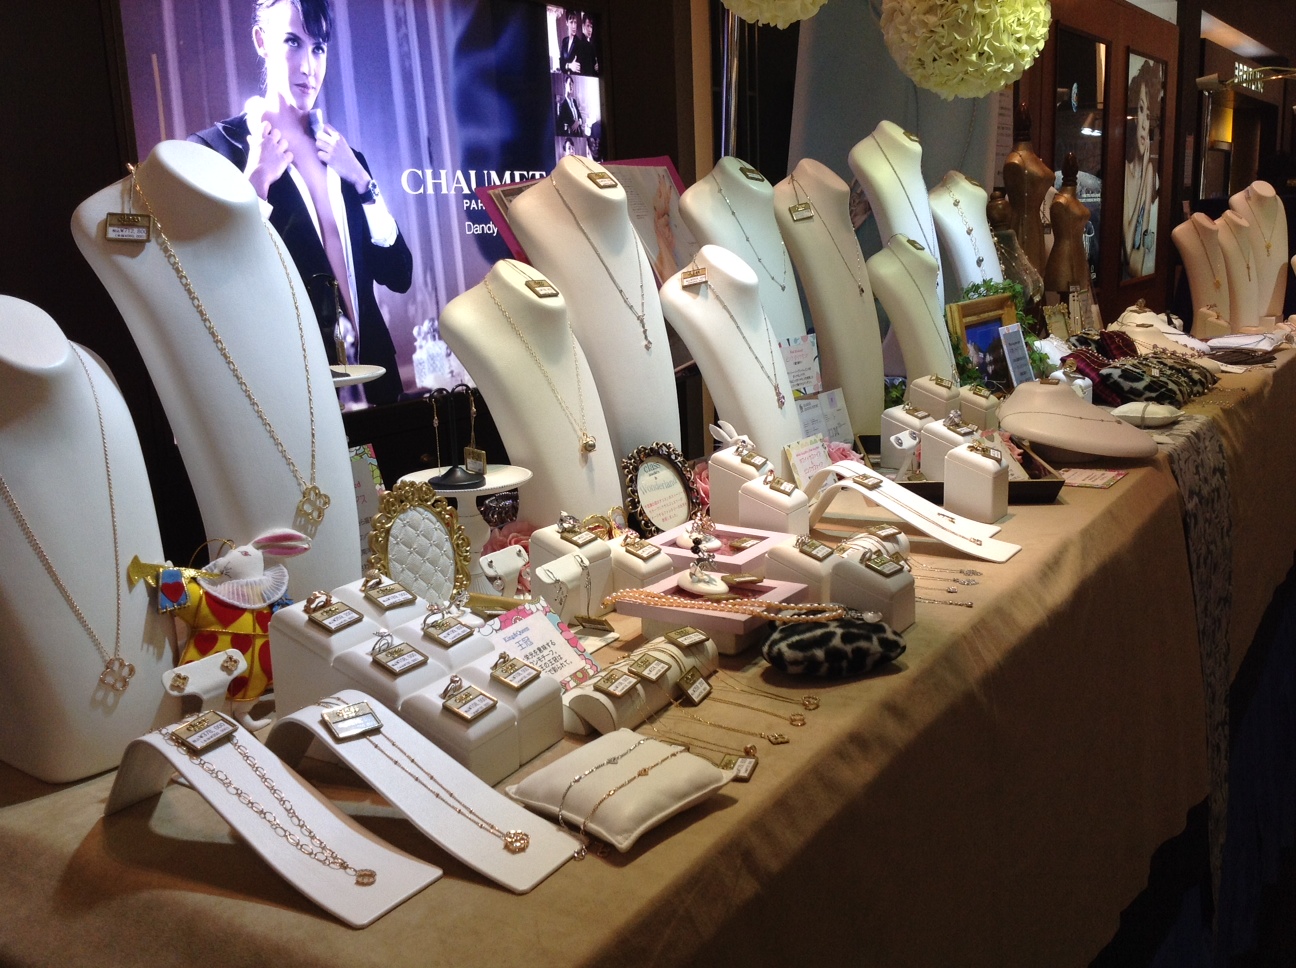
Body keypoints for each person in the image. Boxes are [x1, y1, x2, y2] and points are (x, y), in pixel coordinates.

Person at [189, 0, 412, 405]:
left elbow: (399, 273)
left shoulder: (346, 158)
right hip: (296, 397)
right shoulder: (216, 150)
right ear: (261, 41)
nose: (309, 67)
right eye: (292, 42)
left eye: (319, 48)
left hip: (377, 389)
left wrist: (363, 182)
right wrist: (256, 182)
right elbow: (216, 283)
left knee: (384, 457)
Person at [1122, 58, 1162, 279]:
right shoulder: (1123, 172)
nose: (1145, 124)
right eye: (1140, 110)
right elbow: (1128, 251)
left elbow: (1138, 257)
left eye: (1149, 115)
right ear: (1134, 118)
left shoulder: (1149, 173)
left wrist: (1147, 174)